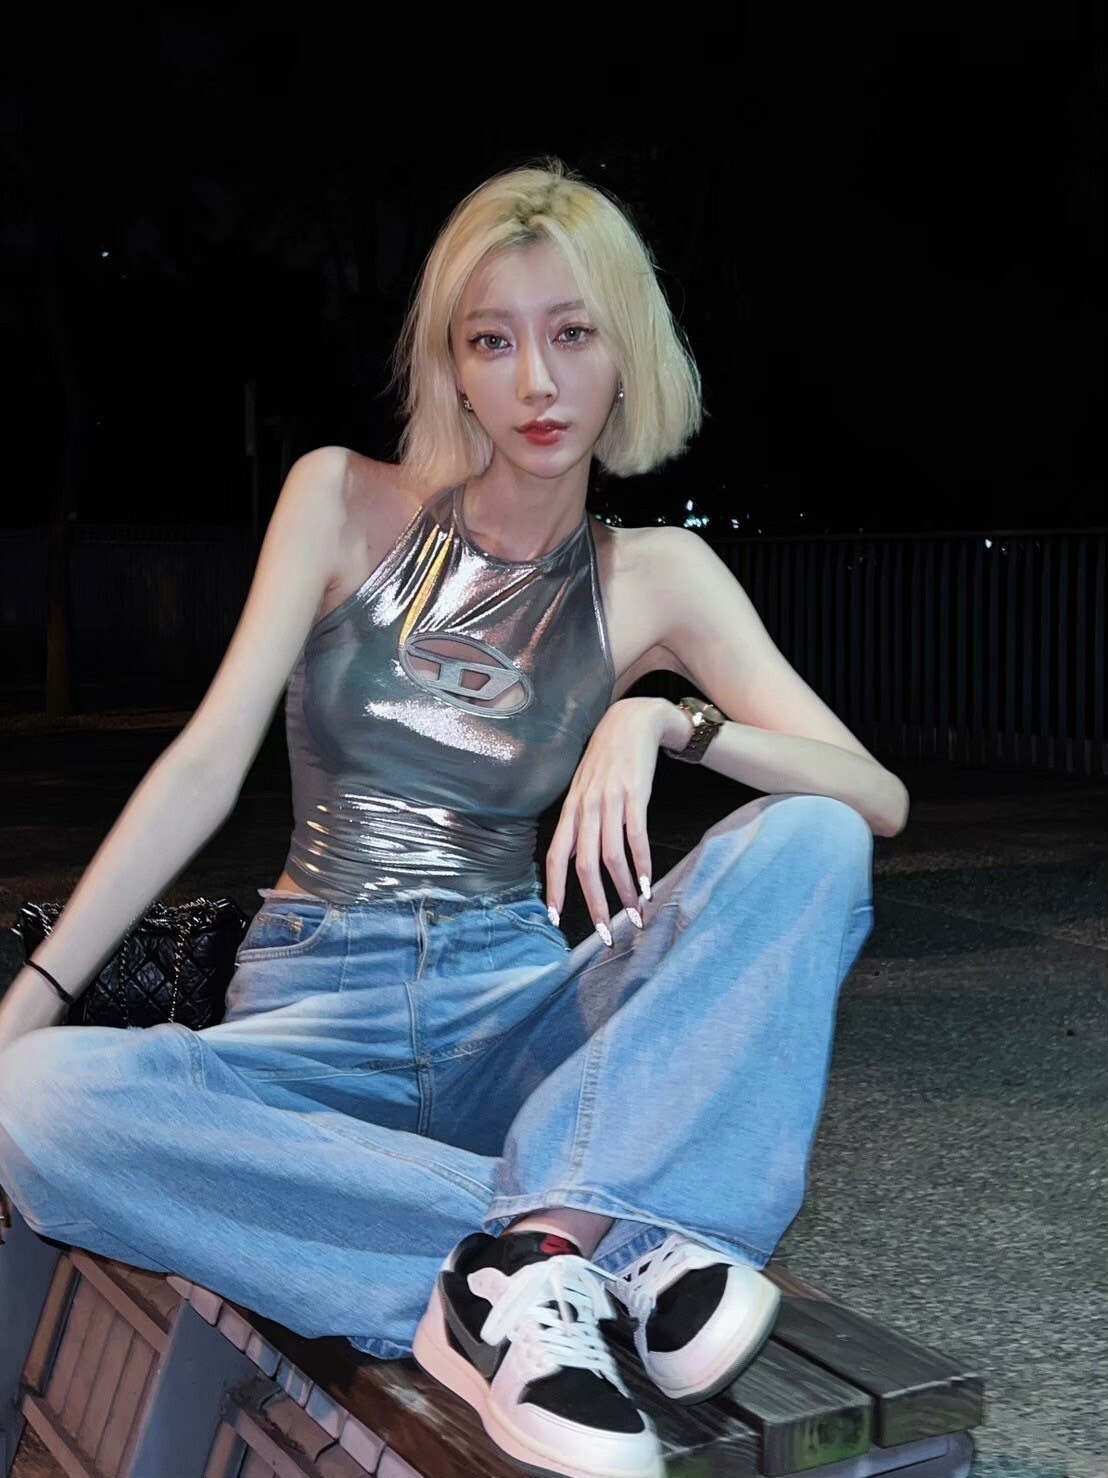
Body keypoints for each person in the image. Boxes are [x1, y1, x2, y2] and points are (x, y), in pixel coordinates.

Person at [0, 159, 908, 1478]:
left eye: (573, 333)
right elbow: (204, 767)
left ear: (626, 352)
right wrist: (33, 995)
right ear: (454, 369)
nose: (538, 381)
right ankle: (591, 1240)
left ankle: (531, 1256)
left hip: (516, 1018)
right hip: (315, 1017)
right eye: (494, 342)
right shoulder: (340, 498)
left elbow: (873, 796)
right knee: (36, 1101)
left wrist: (664, 721)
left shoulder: (655, 575)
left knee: (810, 839)